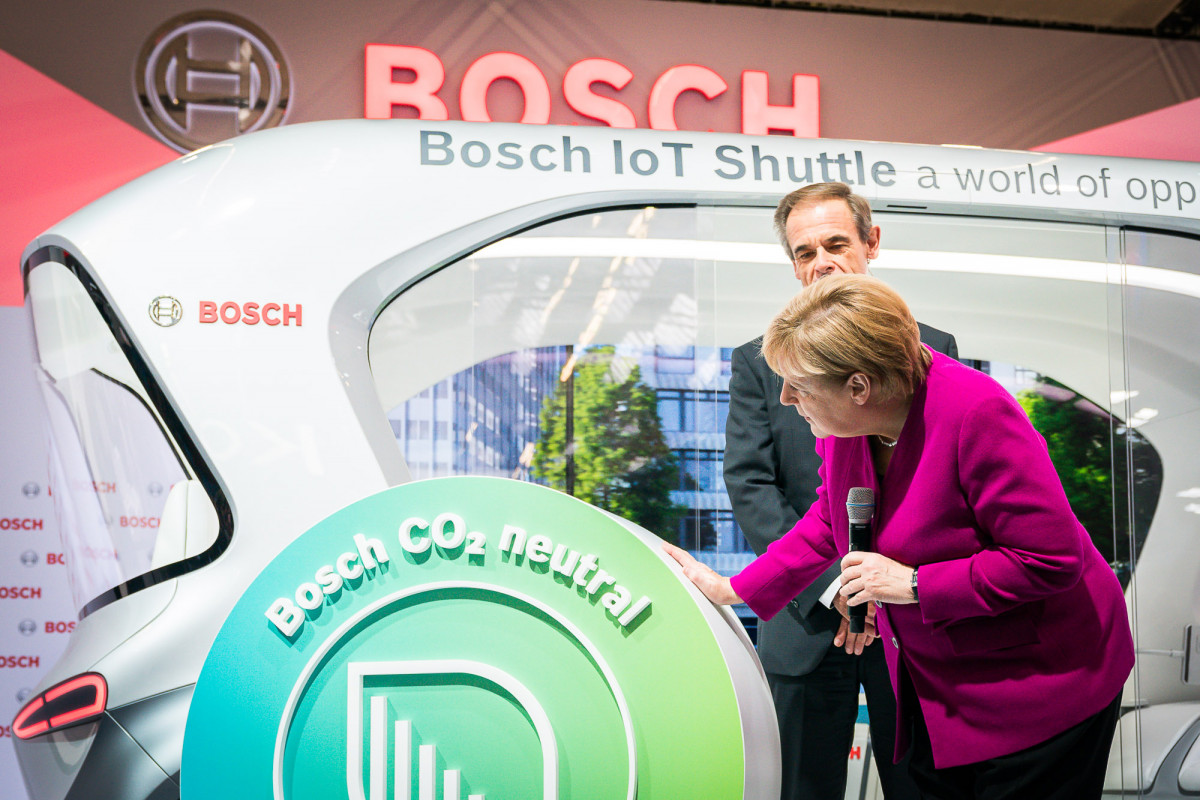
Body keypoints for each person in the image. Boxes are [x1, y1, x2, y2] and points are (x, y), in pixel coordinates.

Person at [669, 273, 1135, 799]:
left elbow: (1048, 558)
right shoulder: (848, 427)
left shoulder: (978, 412)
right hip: (939, 678)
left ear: (858, 387)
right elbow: (830, 519)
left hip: (1042, 683)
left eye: (799, 385)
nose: (785, 397)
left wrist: (914, 584)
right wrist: (734, 590)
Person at [724, 181, 953, 799]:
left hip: (906, 620)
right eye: (804, 252)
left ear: (871, 243)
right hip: (806, 621)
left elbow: (936, 492)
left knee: (921, 787)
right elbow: (750, 483)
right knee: (799, 789)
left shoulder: (931, 352)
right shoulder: (759, 361)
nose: (820, 261)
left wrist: (880, 590)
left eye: (835, 243)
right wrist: (836, 589)